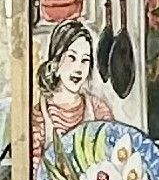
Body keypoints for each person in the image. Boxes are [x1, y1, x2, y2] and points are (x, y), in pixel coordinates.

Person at [33, 18, 117, 149]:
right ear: (55, 64)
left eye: (85, 60)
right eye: (71, 58)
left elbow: (113, 150)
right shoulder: (39, 117)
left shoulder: (98, 110)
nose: (78, 68)